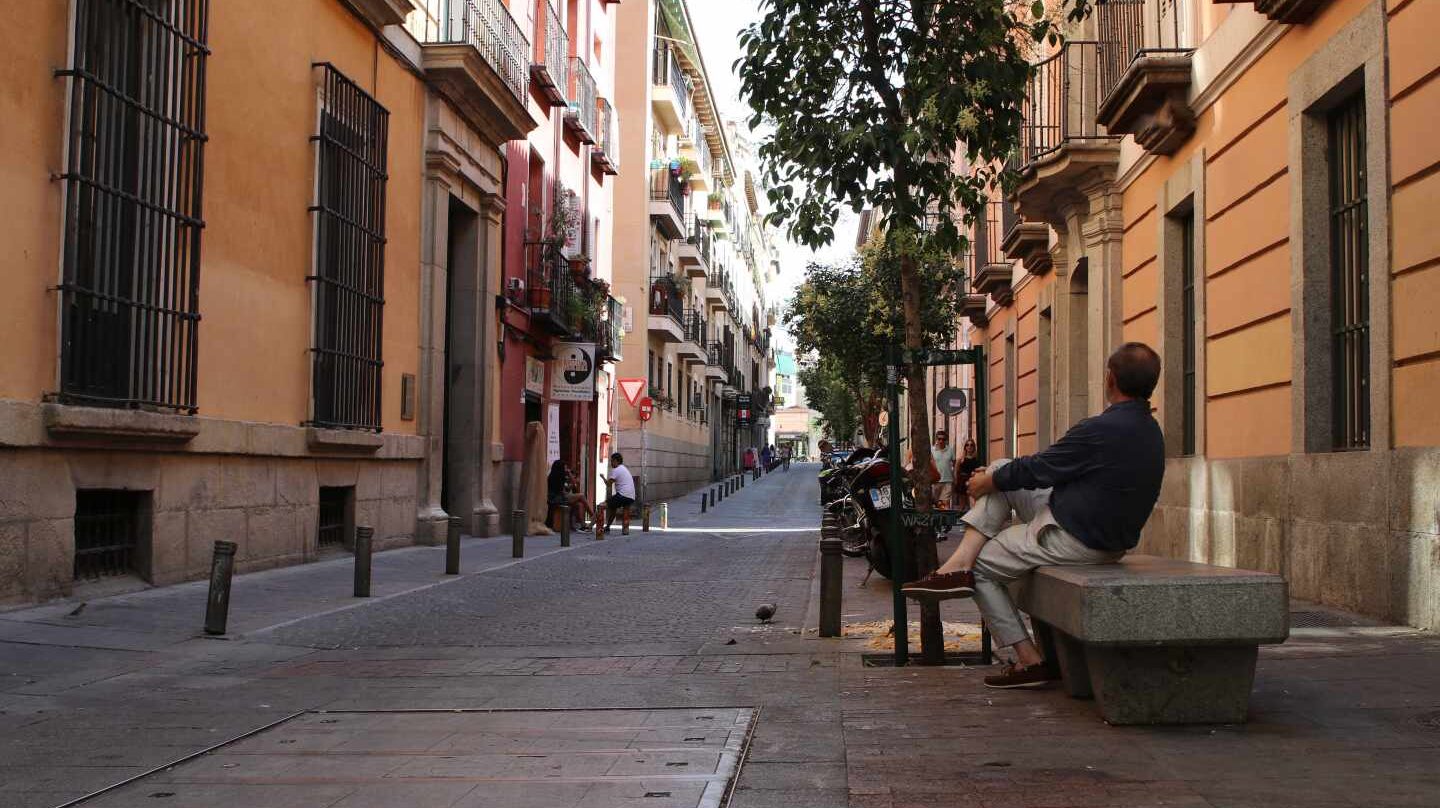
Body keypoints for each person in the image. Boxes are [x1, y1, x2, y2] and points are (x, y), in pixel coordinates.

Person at [901, 343, 1166, 690]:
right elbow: (1047, 470)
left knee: (981, 566)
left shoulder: (1102, 429)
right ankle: (955, 567)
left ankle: (1029, 660)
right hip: (1098, 532)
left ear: (1110, 379)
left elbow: (1044, 467)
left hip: (1077, 538)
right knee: (1000, 468)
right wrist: (995, 477)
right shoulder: (1150, 431)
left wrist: (989, 482)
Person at [546, 460, 594, 531]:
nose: (566, 469)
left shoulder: (555, 476)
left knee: (579, 504)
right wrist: (569, 474)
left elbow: (568, 488)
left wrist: (569, 487)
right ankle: (592, 515)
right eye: (565, 468)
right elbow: (572, 485)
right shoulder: (556, 477)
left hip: (558, 498)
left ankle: (583, 525)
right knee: (581, 496)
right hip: (556, 499)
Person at [602, 453, 636, 535]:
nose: (611, 463)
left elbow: (608, 484)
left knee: (602, 505)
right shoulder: (624, 468)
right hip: (631, 496)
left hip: (622, 494)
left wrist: (602, 477)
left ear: (616, 461)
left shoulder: (616, 470)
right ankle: (623, 530)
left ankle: (589, 526)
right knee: (614, 508)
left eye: (612, 461)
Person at [929, 429, 957, 511]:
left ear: (946, 440)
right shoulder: (932, 450)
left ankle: (945, 522)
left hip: (947, 480)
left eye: (943, 439)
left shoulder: (950, 450)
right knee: (935, 503)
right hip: (935, 481)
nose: (941, 441)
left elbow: (954, 463)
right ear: (936, 439)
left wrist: (954, 475)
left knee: (945, 504)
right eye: (939, 439)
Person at [955, 439, 984, 511]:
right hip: (962, 481)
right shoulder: (961, 459)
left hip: (972, 480)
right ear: (965, 447)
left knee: (972, 502)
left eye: (971, 445)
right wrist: (956, 481)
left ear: (974, 447)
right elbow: (956, 471)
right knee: (962, 504)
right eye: (967, 445)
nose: (969, 447)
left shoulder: (977, 460)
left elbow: (979, 471)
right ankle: (960, 518)